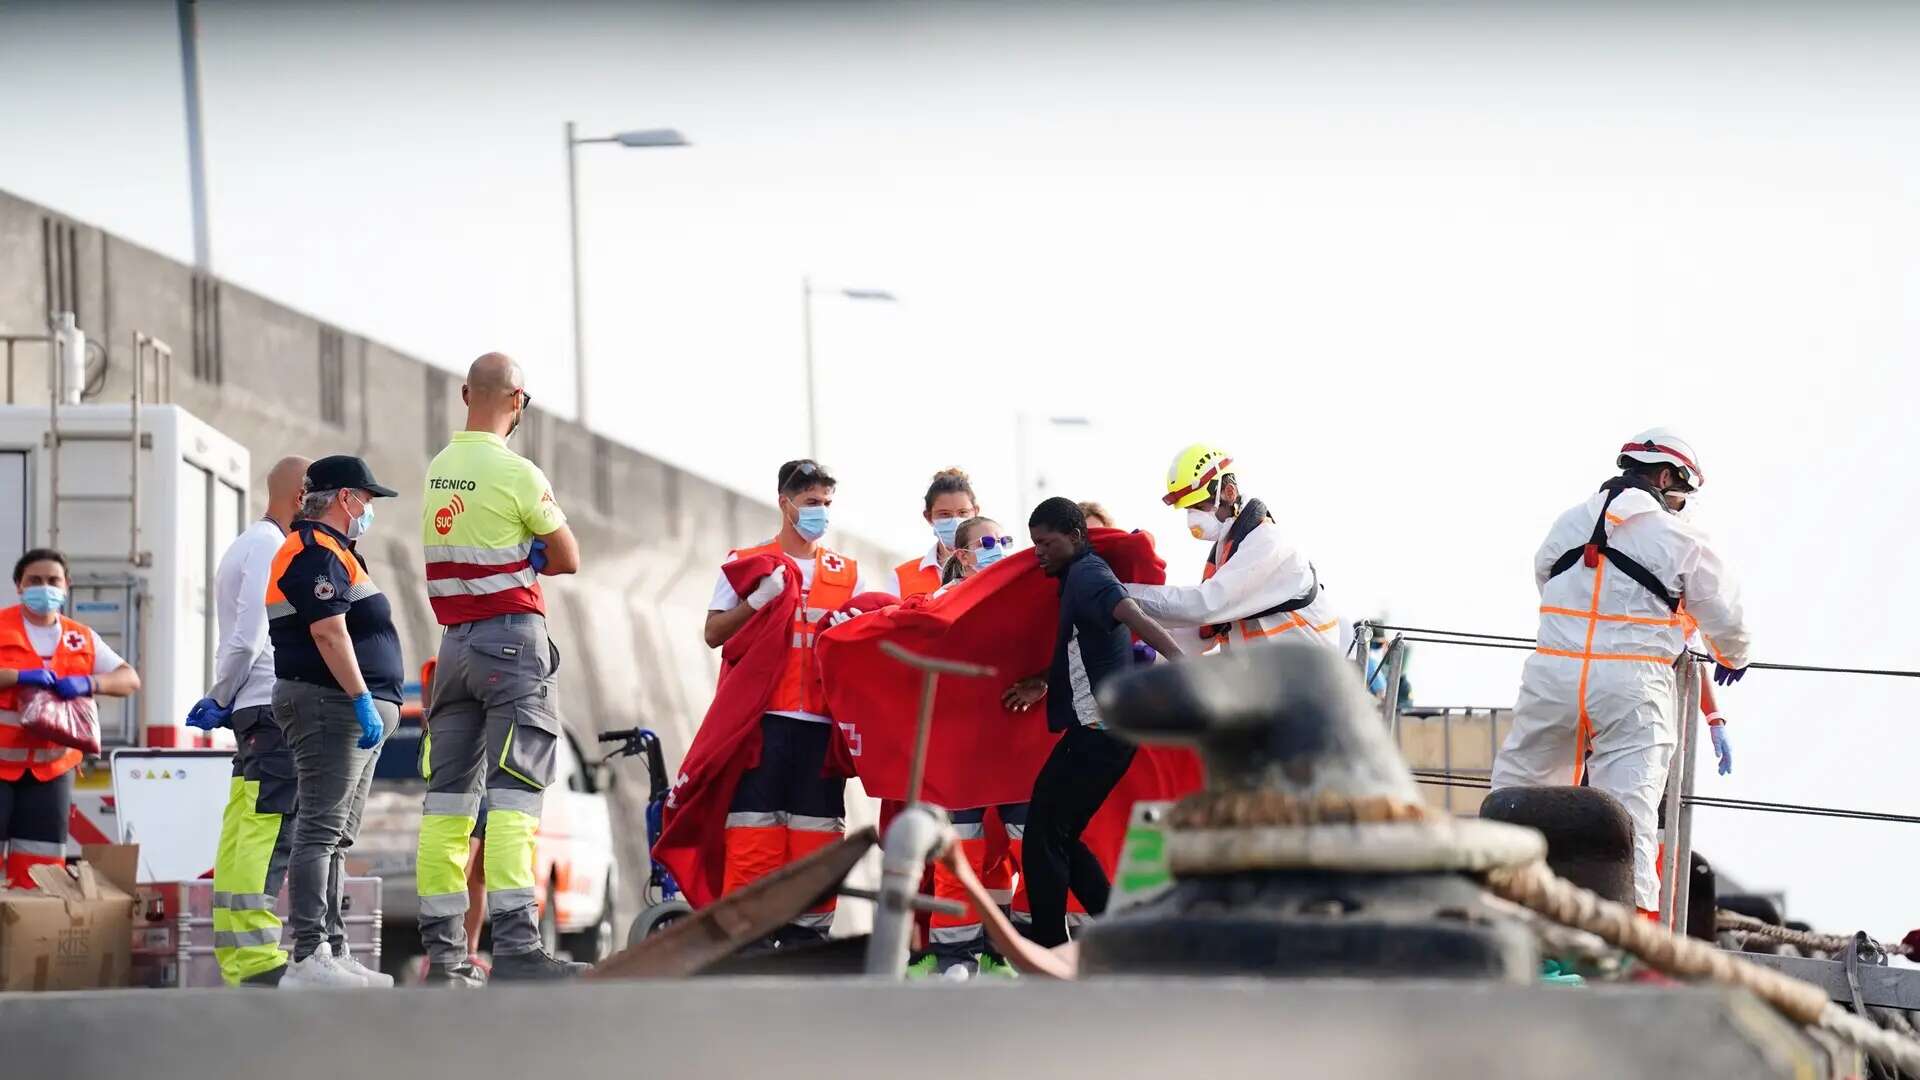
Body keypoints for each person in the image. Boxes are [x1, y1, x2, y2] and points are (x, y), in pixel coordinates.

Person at [1491, 429, 1751, 916]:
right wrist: (1734, 655)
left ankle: (1500, 909)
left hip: (1552, 675)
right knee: (1626, 815)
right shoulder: (1678, 536)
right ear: (1666, 476)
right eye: (1681, 492)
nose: (1681, 504)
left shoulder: (1566, 523)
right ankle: (1631, 935)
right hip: (1633, 685)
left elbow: (1546, 580)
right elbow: (1726, 616)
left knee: (1518, 794)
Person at [416, 352, 583, 985]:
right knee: (514, 801)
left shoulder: (439, 469)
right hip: (511, 645)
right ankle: (515, 950)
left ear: (466, 394)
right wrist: (531, 550)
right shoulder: (516, 471)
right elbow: (567, 556)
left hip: (454, 648)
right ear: (516, 400)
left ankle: (446, 957)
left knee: (448, 809)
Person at [705, 459, 884, 942]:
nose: (820, 513)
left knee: (818, 835)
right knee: (752, 833)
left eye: (826, 504)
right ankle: (747, 934)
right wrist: (756, 602)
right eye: (811, 504)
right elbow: (713, 633)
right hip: (760, 724)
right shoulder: (746, 561)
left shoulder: (848, 574)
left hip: (822, 727)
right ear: (785, 504)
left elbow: (871, 641)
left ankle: (810, 937)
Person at [1001, 498, 1185, 947]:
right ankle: (1117, 934)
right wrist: (1042, 682)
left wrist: (1184, 664)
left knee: (1044, 835)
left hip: (1101, 734)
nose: (1038, 552)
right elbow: (1083, 644)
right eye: (1034, 544)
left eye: (1046, 543)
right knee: (1058, 833)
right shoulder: (1075, 578)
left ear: (1075, 538)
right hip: (1102, 732)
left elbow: (1131, 614)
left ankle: (1049, 944)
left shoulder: (1089, 575)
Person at [266, 455, 402, 988]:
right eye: (366, 499)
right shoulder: (310, 552)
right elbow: (328, 632)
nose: (369, 509)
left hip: (345, 707)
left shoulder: (340, 553)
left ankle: (334, 946)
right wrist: (363, 696)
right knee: (319, 831)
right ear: (345, 498)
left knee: (337, 836)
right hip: (328, 703)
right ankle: (307, 955)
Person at [186, 454, 311, 987]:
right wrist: (222, 693)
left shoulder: (246, 542)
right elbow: (249, 636)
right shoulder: (273, 548)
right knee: (267, 831)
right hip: (270, 704)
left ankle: (240, 957)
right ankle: (258, 957)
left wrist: (225, 699)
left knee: (241, 831)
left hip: (251, 709)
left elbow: (240, 637)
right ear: (303, 497)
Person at [921, 516, 1030, 976]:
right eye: (989, 542)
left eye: (1005, 539)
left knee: (1030, 845)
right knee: (961, 847)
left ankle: (1027, 943)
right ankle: (954, 955)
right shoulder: (942, 602)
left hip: (1017, 744)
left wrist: (1040, 683)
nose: (1000, 547)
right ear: (962, 555)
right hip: (964, 746)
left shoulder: (1027, 598)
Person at [0, 549, 142, 889]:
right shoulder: (2, 626)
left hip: (51, 773)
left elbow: (129, 679)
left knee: (41, 869)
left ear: (66, 586)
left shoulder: (81, 637)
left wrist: (90, 682)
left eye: (53, 580)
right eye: (35, 580)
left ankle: (29, 936)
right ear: (19, 586)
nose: (44, 587)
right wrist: (20, 677)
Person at [1126, 444, 1338, 652]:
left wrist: (1120, 593)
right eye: (1188, 510)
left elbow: (1205, 605)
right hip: (1265, 676)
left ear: (1229, 492)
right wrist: (1146, 651)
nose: (1192, 518)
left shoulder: (1268, 542)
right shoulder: (1229, 549)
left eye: (1199, 506)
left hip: (1309, 676)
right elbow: (1203, 632)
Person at [893, 468, 977, 598]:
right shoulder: (901, 577)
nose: (956, 522)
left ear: (975, 512)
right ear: (928, 517)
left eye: (963, 513)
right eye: (945, 514)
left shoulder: (995, 568)